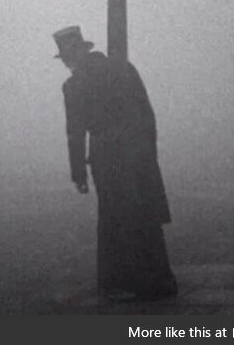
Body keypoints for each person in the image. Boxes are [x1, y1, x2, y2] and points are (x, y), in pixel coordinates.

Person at [53, 25, 177, 301]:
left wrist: (79, 173)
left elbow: (75, 132)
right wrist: (147, 150)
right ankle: (159, 278)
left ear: (70, 57)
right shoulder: (123, 69)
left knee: (117, 220)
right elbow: (146, 112)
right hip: (137, 153)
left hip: (106, 158)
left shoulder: (74, 86)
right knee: (146, 216)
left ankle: (129, 281)